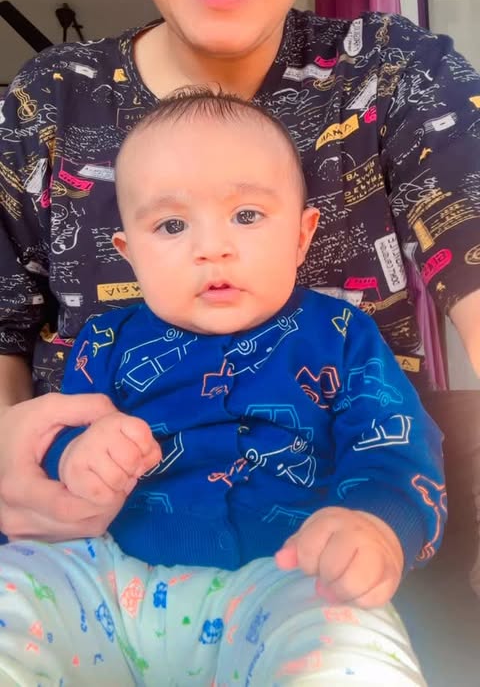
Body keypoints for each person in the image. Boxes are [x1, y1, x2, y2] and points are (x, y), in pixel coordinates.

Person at [0, 0, 479, 566]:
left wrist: (382, 522)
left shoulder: (395, 75)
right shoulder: (45, 103)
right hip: (85, 563)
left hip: (318, 573)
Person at [0, 91, 444, 685]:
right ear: (130, 255)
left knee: (353, 645)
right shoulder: (104, 340)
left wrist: (376, 525)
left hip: (289, 577)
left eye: (247, 215)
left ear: (302, 236)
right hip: (103, 576)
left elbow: (394, 445)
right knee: (14, 590)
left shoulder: (342, 334)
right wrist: (76, 457)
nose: (212, 248)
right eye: (172, 225)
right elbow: (52, 441)